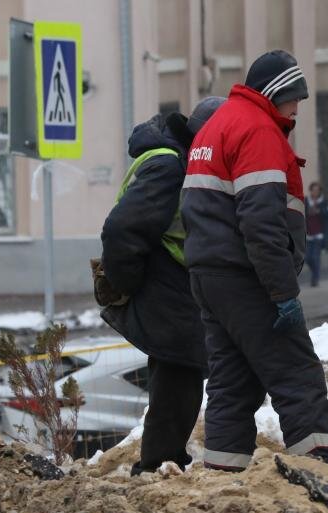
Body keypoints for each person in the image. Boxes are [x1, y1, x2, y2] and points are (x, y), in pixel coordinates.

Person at [180, 50, 328, 471]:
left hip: (209, 275)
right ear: (277, 91)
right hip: (247, 278)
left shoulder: (216, 127)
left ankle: (223, 480)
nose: (297, 107)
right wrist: (283, 293)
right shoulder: (258, 130)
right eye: (295, 97)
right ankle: (318, 477)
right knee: (298, 374)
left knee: (232, 383)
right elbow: (261, 224)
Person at [98, 97, 225, 475]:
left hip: (169, 285)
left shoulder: (171, 160)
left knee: (178, 378)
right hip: (165, 287)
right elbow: (122, 229)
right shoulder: (171, 167)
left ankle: (164, 460)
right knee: (177, 378)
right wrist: (128, 283)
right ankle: (157, 465)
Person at [304, 181, 328, 287]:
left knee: (315, 257)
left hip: (319, 235)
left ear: (319, 192)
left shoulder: (323, 202)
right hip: (308, 235)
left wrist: (319, 211)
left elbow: (327, 217)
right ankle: (315, 273)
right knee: (307, 258)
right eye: (313, 190)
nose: (315, 192)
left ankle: (315, 278)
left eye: (317, 190)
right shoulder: (306, 201)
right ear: (310, 191)